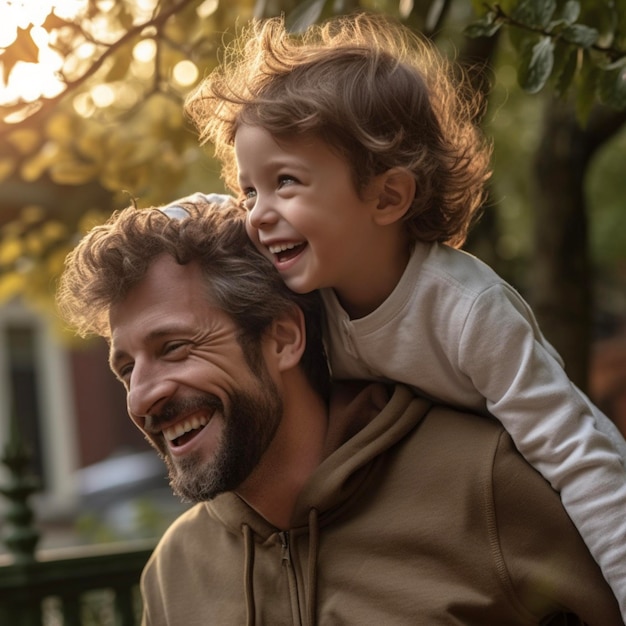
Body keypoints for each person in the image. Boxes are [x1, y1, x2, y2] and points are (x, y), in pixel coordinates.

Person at [183, 12, 626, 620]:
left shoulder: (466, 309)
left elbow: (578, 452)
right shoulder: (306, 285)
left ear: (386, 197)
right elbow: (206, 219)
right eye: (249, 190)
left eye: (285, 182)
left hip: (505, 517)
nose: (256, 215)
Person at [56, 196, 622, 625]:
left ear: (282, 338)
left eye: (173, 348)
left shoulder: (486, 482)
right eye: (126, 368)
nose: (142, 396)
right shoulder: (174, 571)